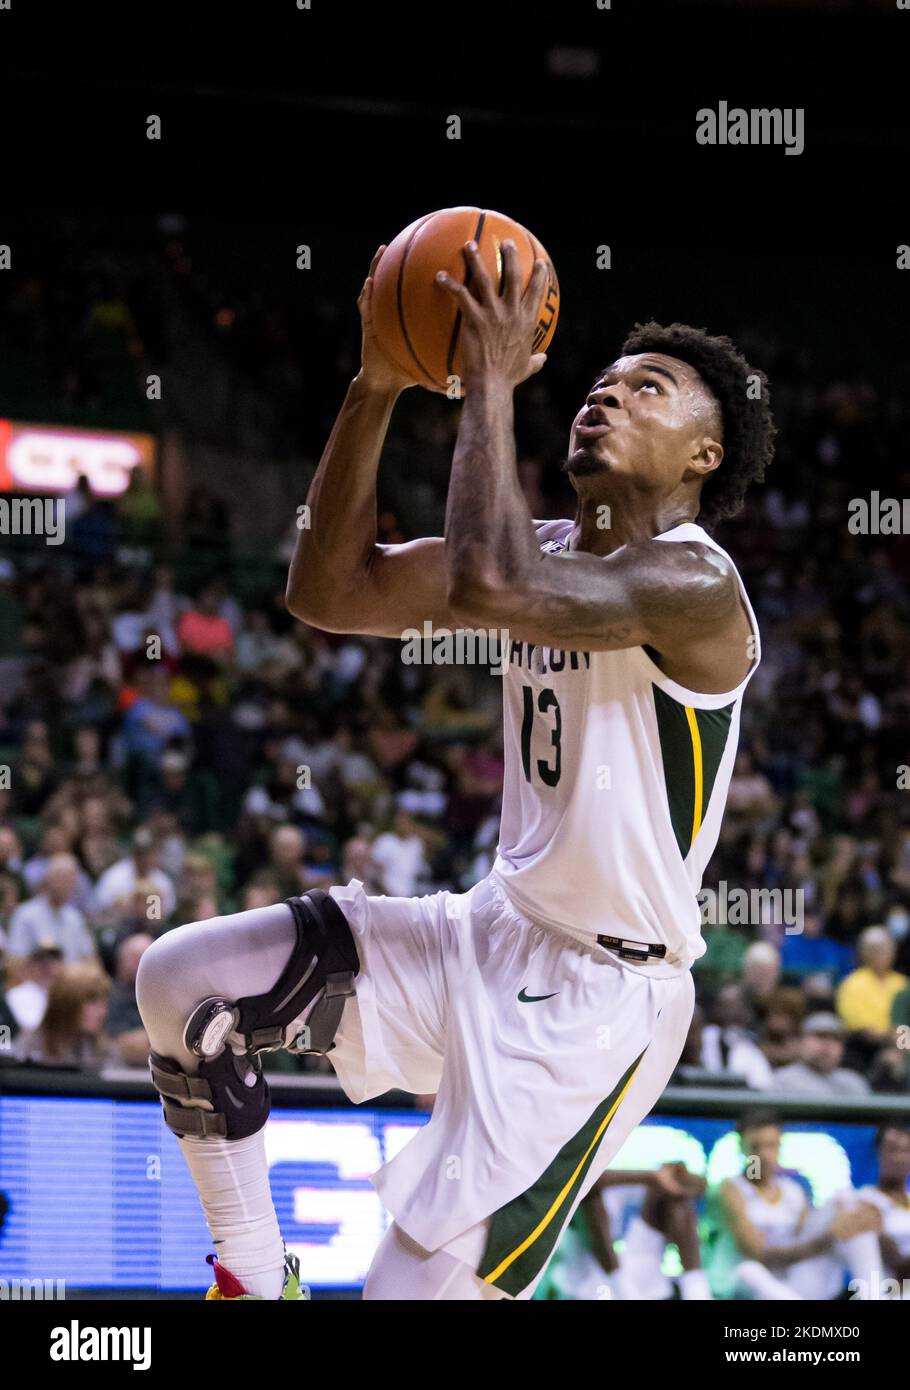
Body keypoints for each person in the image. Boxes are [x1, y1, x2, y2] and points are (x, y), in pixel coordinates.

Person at [137, 240, 776, 1300]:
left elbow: (488, 581)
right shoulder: (552, 548)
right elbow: (327, 588)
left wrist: (484, 382)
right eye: (601, 382)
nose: (604, 398)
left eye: (646, 390)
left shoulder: (694, 586)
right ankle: (253, 1279)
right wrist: (377, 380)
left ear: (703, 455)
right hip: (484, 935)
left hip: (594, 1009)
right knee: (182, 981)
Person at [710, 1110, 883, 1300]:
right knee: (750, 1270)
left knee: (847, 1206)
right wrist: (828, 1238)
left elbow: (804, 1240)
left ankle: (874, 1296)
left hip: (788, 1285)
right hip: (744, 1287)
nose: (764, 1156)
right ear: (742, 1148)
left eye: (771, 1146)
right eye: (755, 1148)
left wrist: (846, 1223)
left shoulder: (793, 1191)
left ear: (780, 1146)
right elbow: (761, 1256)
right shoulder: (729, 1190)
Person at [16, 960, 111, 1070]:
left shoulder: (103, 1049)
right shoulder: (29, 1051)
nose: (103, 1012)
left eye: (103, 1002)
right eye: (92, 1002)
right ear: (66, 1003)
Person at [6, 854, 96, 963]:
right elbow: (16, 960)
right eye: (61, 878)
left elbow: (90, 958)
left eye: (71, 879)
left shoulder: (74, 917)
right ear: (47, 879)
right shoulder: (25, 914)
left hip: (73, 977)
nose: (66, 885)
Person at [855, 1124, 910, 1297]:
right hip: (887, 1291)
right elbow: (897, 1264)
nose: (899, 1158)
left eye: (906, 1150)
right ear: (879, 1152)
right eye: (893, 1149)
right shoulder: (864, 1200)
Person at [773, 1013, 870, 1098]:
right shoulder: (782, 1080)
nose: (827, 1044)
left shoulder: (854, 1082)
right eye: (820, 1036)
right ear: (801, 1042)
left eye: (835, 1039)